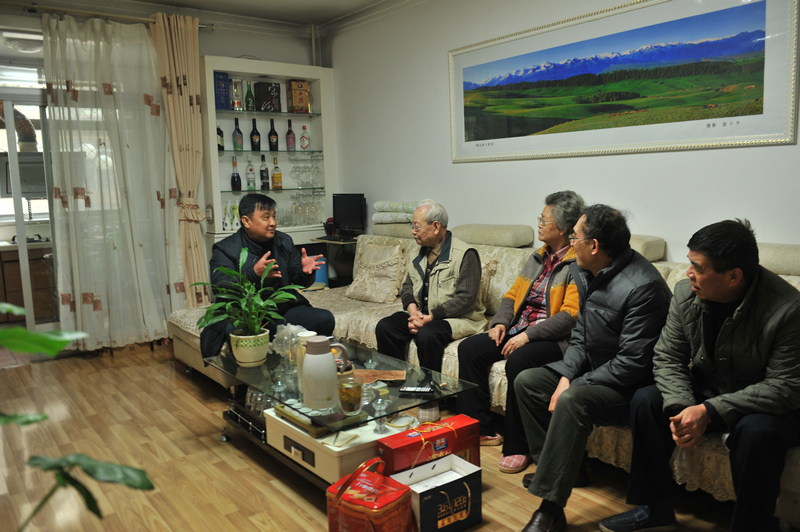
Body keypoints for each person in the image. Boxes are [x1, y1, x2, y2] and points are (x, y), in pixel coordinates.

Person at [600, 220, 800, 532]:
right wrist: (682, 409)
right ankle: (655, 511)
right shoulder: (686, 293)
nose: (687, 273)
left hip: (767, 405)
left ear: (733, 276)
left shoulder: (788, 309)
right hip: (710, 388)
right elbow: (668, 356)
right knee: (647, 400)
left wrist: (708, 412)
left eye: (698, 267)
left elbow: (783, 386)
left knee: (757, 432)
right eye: (689, 262)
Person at [516, 205, 672, 532]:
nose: (571, 243)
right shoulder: (586, 270)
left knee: (572, 400)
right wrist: (565, 375)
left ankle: (550, 509)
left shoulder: (643, 286)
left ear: (594, 245)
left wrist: (575, 384)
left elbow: (632, 365)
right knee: (528, 382)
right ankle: (564, 471)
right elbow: (581, 336)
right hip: (597, 373)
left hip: (631, 388)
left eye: (575, 237)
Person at [456, 191, 585, 474]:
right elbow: (511, 296)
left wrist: (528, 336)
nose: (539, 223)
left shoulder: (577, 263)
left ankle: (518, 445)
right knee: (470, 349)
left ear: (564, 227)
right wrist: (500, 323)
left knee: (519, 360)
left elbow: (569, 317)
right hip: (518, 328)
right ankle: (480, 428)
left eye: (544, 219)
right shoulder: (537, 257)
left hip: (554, 339)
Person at [375, 200, 486, 419]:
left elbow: (465, 299)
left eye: (417, 226)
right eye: (412, 226)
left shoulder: (465, 254)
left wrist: (429, 318)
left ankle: (429, 398)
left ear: (436, 227)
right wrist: (413, 312)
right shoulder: (419, 252)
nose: (413, 231)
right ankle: (394, 390)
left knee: (427, 335)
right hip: (424, 314)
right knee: (386, 327)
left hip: (459, 318)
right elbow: (407, 286)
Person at [199, 194, 335, 358]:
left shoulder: (283, 241)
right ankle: (254, 371)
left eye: (274, 216)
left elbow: (298, 282)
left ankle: (307, 365)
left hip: (281, 310)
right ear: (246, 221)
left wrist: (306, 272)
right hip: (246, 315)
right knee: (241, 333)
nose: (273, 222)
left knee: (325, 319)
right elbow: (221, 287)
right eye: (266, 217)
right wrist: (253, 274)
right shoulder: (225, 249)